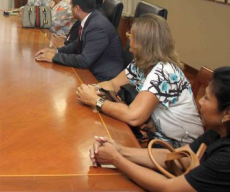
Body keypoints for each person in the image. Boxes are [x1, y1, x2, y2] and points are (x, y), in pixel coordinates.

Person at [88, 66, 230, 191]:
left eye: (206, 98)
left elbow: (169, 187)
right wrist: (120, 150)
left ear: (227, 113)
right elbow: (176, 157)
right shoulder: (217, 132)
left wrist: (116, 159)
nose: (200, 101)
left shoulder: (225, 158)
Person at [77, 14, 203, 147]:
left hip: (181, 149)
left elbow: (133, 116)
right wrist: (91, 89)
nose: (128, 37)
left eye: (130, 35)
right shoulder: (141, 63)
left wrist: (96, 100)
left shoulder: (164, 72)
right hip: (157, 139)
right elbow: (113, 84)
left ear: (141, 43)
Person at [35, 0, 124, 81]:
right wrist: (56, 51)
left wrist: (54, 57)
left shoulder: (97, 26)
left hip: (102, 77)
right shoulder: (91, 18)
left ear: (77, 8)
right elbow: (77, 44)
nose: (70, 8)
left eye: (71, 6)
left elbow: (84, 60)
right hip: (91, 69)